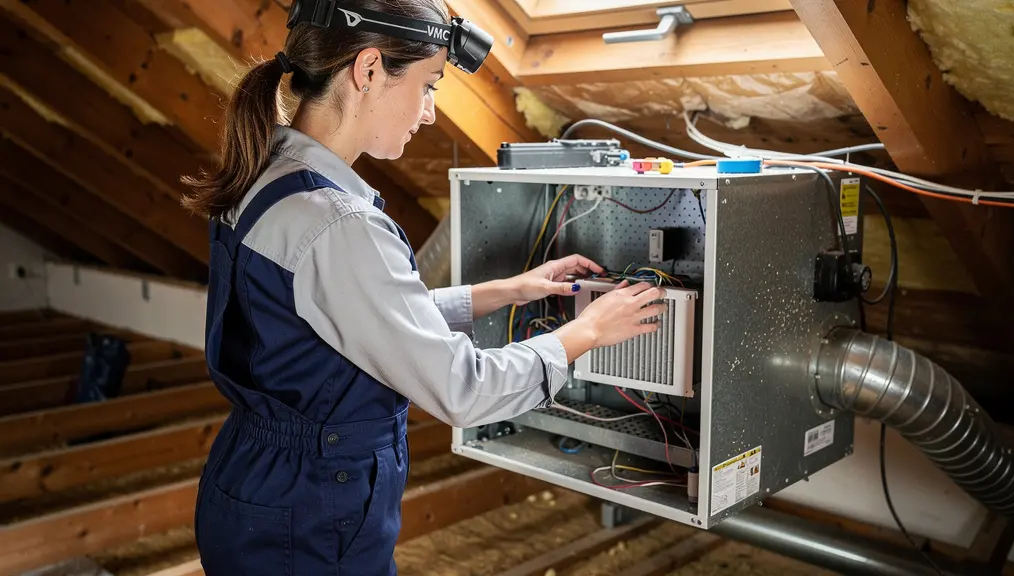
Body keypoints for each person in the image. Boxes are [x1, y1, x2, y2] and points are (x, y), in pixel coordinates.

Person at [181, 0, 666, 573]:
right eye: (429, 84)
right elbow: (464, 390)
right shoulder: (340, 225)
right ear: (368, 69)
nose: (431, 113)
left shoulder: (267, 175)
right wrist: (587, 332)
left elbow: (355, 318)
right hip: (310, 518)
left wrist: (506, 291)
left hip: (254, 491)